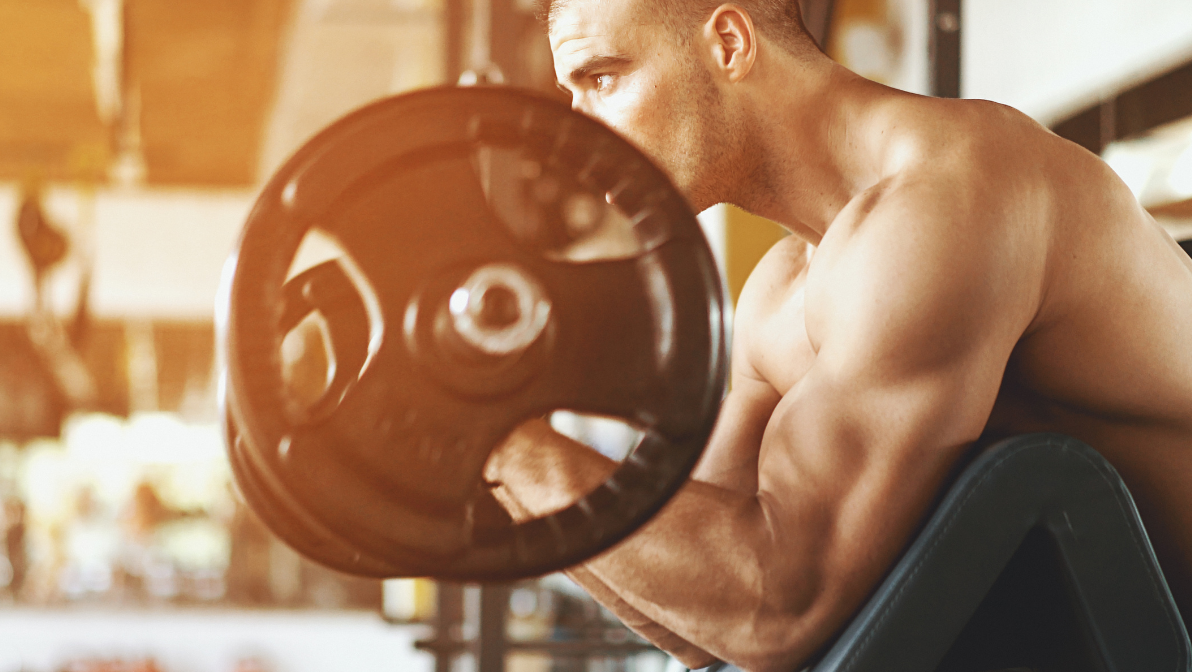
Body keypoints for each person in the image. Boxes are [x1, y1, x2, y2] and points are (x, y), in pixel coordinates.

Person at [481, 0, 1192, 670]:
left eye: (602, 77)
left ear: (729, 43)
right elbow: (692, 620)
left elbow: (776, 606)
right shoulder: (781, 292)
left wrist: (510, 447)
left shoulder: (952, 198)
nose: (579, 132)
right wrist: (495, 442)